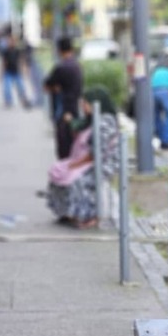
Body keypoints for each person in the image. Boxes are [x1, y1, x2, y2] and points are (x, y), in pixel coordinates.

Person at [46, 86, 119, 229]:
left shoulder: (105, 122)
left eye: (85, 103)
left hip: (99, 164)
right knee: (56, 172)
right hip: (84, 160)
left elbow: (96, 153)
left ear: (96, 104)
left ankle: (88, 215)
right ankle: (67, 211)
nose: (83, 107)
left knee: (76, 180)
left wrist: (76, 165)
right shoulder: (90, 119)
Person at [43, 36, 83, 158]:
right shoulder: (77, 67)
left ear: (59, 51)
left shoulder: (60, 68)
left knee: (64, 149)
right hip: (75, 110)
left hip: (62, 111)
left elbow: (46, 86)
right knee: (74, 147)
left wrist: (56, 88)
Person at [151, 53, 168, 149]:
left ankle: (159, 137)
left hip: (153, 92)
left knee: (157, 116)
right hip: (165, 91)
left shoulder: (156, 72)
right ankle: (166, 141)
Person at [0, 34, 31, 108]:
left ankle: (24, 100)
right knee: (7, 88)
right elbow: (4, 62)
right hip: (8, 72)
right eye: (10, 41)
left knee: (21, 86)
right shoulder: (6, 52)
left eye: (12, 41)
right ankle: (8, 101)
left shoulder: (17, 51)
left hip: (16, 71)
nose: (11, 42)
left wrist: (24, 69)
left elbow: (21, 60)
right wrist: (2, 72)